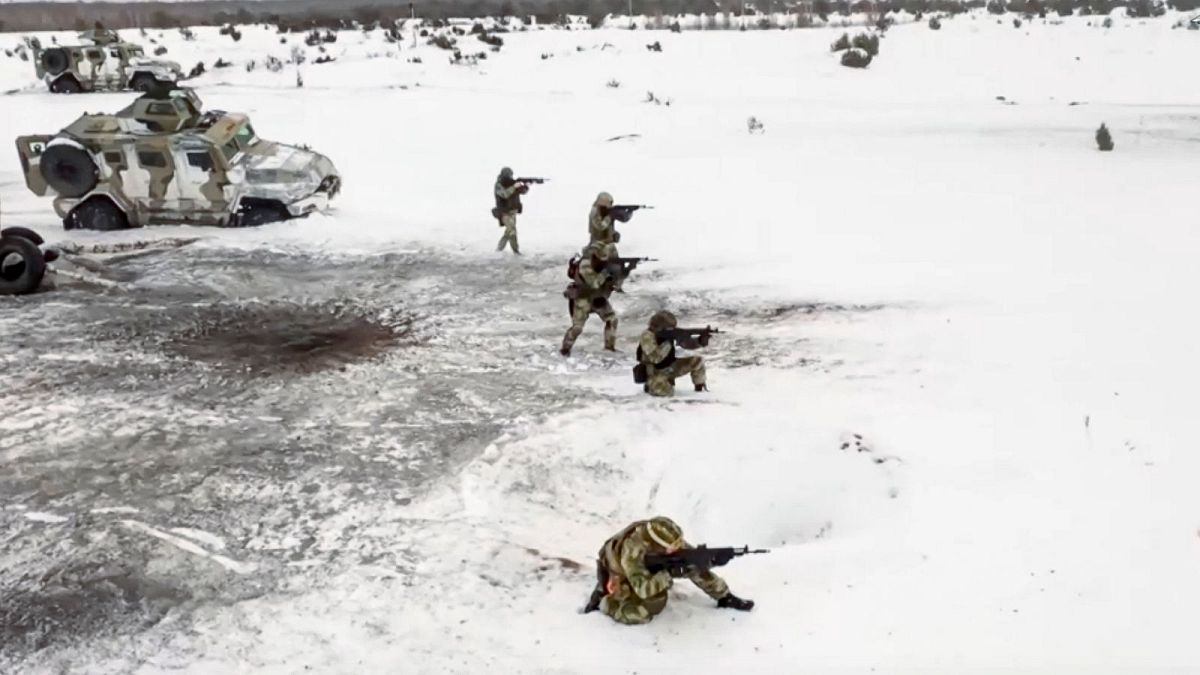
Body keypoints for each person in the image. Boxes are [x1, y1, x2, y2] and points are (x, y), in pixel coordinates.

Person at [592, 516, 754, 625]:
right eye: (673, 546)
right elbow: (643, 590)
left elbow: (692, 558)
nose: (679, 547)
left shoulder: (662, 537)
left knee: (692, 566)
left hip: (649, 564)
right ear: (657, 545)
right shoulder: (632, 552)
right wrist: (667, 575)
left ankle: (725, 598)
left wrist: (710, 560)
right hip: (620, 571)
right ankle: (606, 603)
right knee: (641, 613)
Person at [561, 243, 618, 357]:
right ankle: (565, 349)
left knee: (612, 319)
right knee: (577, 328)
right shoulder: (585, 266)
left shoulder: (602, 263)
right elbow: (595, 283)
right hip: (582, 299)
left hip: (597, 297)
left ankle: (609, 348)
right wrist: (607, 272)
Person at [637, 310, 708, 395]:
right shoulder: (647, 335)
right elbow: (655, 358)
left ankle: (700, 389)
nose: (671, 330)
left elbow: (686, 344)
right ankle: (651, 385)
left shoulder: (667, 334)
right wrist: (667, 342)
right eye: (668, 328)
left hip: (671, 366)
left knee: (697, 361)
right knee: (667, 393)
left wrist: (700, 341)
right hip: (654, 371)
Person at [493, 167, 529, 255]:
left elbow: (523, 192)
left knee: (508, 231)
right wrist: (514, 186)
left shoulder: (512, 183)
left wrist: (524, 186)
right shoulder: (499, 184)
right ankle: (516, 251)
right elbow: (505, 194)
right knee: (512, 231)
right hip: (504, 212)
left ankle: (499, 249)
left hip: (513, 211)